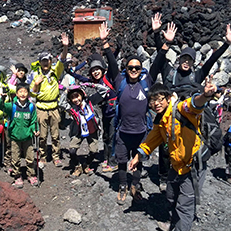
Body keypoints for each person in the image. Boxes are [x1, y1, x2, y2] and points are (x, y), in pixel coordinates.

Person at [150, 13, 231, 191]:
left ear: (193, 62)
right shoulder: (169, 72)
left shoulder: (197, 75)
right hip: (168, 115)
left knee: (187, 145)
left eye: (189, 60)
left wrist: (226, 42)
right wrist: (157, 34)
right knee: (164, 147)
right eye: (183, 59)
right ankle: (164, 176)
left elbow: (211, 60)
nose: (186, 62)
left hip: (189, 116)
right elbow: (160, 54)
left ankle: (185, 173)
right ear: (179, 60)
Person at [129, 78, 217, 231]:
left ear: (168, 98)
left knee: (184, 206)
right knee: (171, 196)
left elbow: (194, 104)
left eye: (159, 99)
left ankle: (180, 226)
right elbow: (151, 140)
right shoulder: (162, 120)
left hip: (193, 167)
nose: (156, 104)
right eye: (152, 101)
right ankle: (173, 223)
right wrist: (137, 156)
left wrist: (205, 95)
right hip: (176, 166)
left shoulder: (181, 109)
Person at [99, 22, 157, 204]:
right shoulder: (119, 81)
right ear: (126, 69)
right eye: (130, 67)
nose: (133, 70)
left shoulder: (147, 81)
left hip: (141, 131)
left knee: (138, 160)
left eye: (137, 68)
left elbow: (160, 61)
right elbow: (111, 61)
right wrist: (105, 42)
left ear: (141, 71)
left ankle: (135, 185)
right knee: (122, 161)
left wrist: (162, 40)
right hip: (123, 132)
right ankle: (123, 185)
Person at [67, 52, 118, 173]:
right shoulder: (94, 81)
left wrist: (114, 51)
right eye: (93, 70)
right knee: (106, 136)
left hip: (114, 110)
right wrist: (69, 72)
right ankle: (106, 158)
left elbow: (112, 64)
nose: (95, 72)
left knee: (112, 136)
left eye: (97, 69)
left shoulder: (108, 77)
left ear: (102, 70)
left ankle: (113, 162)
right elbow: (81, 79)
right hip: (106, 111)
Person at [30, 32, 69, 168]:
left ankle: (56, 156)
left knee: (56, 135)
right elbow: (32, 94)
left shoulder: (55, 72)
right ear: (40, 62)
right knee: (42, 136)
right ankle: (42, 156)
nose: (45, 63)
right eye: (43, 61)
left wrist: (65, 47)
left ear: (50, 61)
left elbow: (62, 60)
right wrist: (36, 84)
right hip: (41, 108)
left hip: (54, 108)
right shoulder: (36, 75)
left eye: (47, 60)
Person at [59, 84, 108, 177]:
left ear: (82, 95)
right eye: (72, 98)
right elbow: (61, 103)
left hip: (92, 131)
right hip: (78, 132)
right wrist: (66, 92)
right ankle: (78, 166)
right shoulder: (72, 108)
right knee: (72, 150)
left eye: (77, 96)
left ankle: (86, 165)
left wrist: (92, 85)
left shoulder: (90, 102)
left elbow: (104, 91)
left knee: (94, 150)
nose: (76, 99)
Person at [0, 83, 39, 188]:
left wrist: (35, 130)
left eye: (25, 91)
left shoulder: (31, 107)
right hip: (15, 137)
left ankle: (31, 175)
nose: (23, 94)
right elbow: (0, 106)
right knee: (15, 157)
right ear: (16, 93)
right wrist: (2, 98)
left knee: (30, 157)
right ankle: (17, 175)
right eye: (20, 91)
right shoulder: (12, 106)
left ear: (28, 93)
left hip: (28, 137)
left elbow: (34, 121)